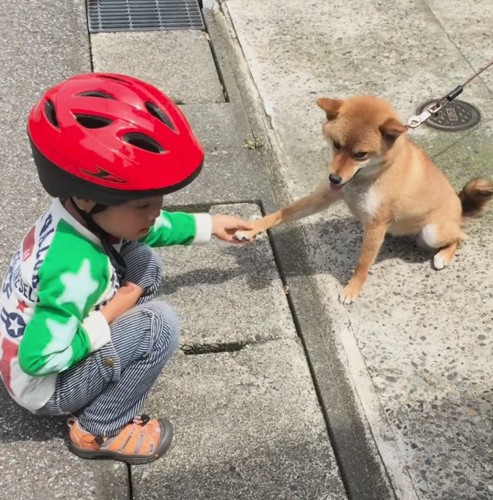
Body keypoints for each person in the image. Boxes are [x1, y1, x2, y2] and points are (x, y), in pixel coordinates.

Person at [0, 73, 253, 464]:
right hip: (44, 386)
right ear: (89, 197)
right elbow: (39, 360)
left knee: (143, 258)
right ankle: (97, 430)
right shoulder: (75, 269)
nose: (154, 213)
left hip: (42, 339)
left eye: (157, 201)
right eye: (142, 205)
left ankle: (119, 352)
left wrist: (209, 225)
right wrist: (113, 313)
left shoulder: (78, 215)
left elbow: (147, 227)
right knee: (159, 326)